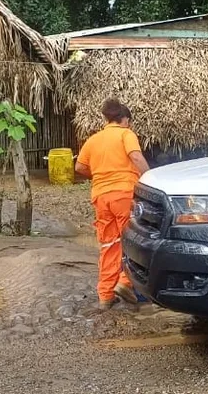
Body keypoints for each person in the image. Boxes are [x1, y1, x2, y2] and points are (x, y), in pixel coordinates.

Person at [75, 99, 151, 310]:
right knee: (132, 240)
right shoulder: (126, 134)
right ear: (125, 119)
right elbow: (135, 156)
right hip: (124, 194)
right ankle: (124, 283)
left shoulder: (94, 140)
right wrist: (151, 177)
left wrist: (100, 175)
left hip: (101, 197)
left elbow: (80, 166)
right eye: (129, 121)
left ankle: (105, 295)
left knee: (109, 244)